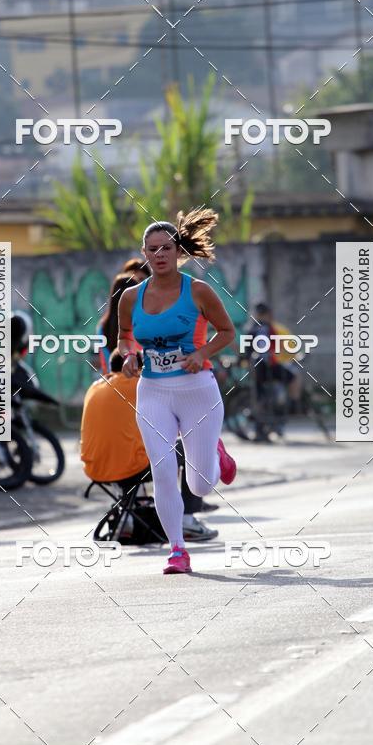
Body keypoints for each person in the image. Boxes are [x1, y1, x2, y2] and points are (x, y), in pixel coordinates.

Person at [118, 207, 237, 575]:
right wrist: (128, 356)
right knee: (163, 470)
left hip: (197, 390)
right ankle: (177, 550)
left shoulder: (198, 291)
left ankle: (215, 454)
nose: (159, 255)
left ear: (178, 250)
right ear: (144, 252)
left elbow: (227, 332)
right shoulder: (129, 297)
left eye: (166, 248)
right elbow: (124, 338)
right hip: (153, 391)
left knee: (200, 486)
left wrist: (201, 353)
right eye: (151, 249)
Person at [81, 350, 218, 542]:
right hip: (129, 466)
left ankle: (127, 517)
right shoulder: (138, 385)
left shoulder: (95, 388)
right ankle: (187, 519)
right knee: (185, 446)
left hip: (94, 467)